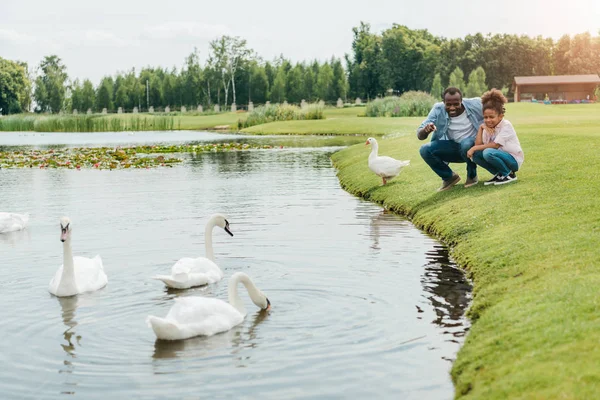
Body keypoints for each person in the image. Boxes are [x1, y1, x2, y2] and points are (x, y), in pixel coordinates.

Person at [417, 87, 483, 192]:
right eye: (448, 105)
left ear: (462, 101)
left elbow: (492, 105)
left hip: (472, 147)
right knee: (424, 149)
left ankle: (472, 175)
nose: (452, 108)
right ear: (443, 102)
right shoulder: (438, 109)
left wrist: (498, 108)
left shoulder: (475, 104)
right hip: (454, 148)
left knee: (466, 143)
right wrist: (426, 130)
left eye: (456, 104)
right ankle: (449, 177)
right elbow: (420, 135)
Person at [466, 89, 524, 185]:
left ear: (500, 116)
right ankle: (500, 174)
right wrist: (481, 128)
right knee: (475, 155)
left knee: (487, 152)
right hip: (499, 157)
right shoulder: (487, 127)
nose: (488, 120)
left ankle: (509, 174)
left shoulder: (506, 125)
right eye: (485, 117)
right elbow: (478, 145)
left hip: (513, 161)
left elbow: (495, 145)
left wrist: (474, 147)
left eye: (491, 117)